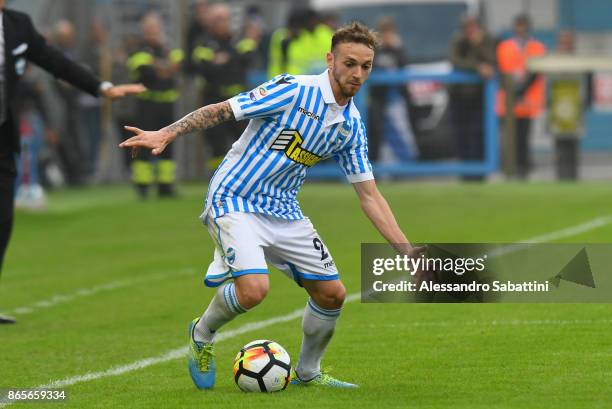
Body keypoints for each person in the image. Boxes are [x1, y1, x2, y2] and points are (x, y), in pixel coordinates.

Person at [120, 22, 425, 389]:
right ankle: (202, 334)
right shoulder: (293, 90)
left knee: (333, 294)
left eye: (365, 66)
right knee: (254, 291)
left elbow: (370, 195)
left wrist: (405, 250)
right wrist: (166, 133)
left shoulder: (351, 126)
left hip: (283, 208)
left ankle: (308, 372)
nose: (357, 73)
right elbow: (222, 110)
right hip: (234, 196)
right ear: (330, 59)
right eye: (349, 63)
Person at [0, 1, 145, 323]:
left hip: (2, 138)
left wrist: (100, 87)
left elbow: (53, 61)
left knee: (3, 221)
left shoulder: (17, 24)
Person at [189, 4, 256, 173]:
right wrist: (232, 59)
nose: (223, 23)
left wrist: (224, 59)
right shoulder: (203, 43)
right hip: (214, 100)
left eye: (226, 19)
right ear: (211, 22)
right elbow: (205, 69)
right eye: (218, 19)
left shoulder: (240, 40)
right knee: (217, 145)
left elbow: (248, 58)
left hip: (240, 102)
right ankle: (218, 180)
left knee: (245, 142)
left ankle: (245, 181)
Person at [126, 12, 182, 198]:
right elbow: (145, 72)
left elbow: (177, 67)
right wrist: (163, 67)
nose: (152, 33)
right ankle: (142, 186)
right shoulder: (138, 50)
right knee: (143, 143)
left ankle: (166, 186)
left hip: (167, 104)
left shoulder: (168, 49)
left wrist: (158, 65)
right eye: (149, 29)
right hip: (147, 104)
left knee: (168, 143)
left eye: (155, 29)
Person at [496, 14, 546, 179]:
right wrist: (512, 91)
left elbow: (535, 73)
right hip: (507, 102)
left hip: (527, 101)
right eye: (518, 25)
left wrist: (520, 91)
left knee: (524, 137)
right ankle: (509, 168)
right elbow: (501, 72)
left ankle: (523, 169)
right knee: (509, 138)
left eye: (523, 25)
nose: (521, 29)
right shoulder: (504, 47)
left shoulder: (537, 47)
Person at [449, 14, 496, 181]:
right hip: (460, 98)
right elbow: (455, 60)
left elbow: (492, 60)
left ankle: (479, 175)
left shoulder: (488, 40)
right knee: (462, 137)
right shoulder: (458, 41)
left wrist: (477, 46)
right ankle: (465, 175)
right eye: (467, 27)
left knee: (479, 136)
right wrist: (477, 66)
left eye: (473, 27)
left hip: (480, 99)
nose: (470, 31)